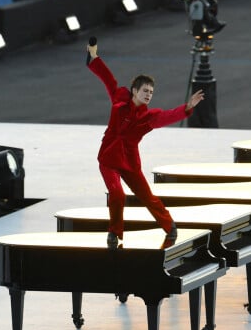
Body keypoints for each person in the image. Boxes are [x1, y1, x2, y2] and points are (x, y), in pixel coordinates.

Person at [86, 41, 205, 249]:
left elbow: (167, 116)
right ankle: (114, 233)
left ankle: (170, 226)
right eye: (145, 91)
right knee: (117, 193)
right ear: (134, 91)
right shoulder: (120, 100)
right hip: (109, 158)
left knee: (147, 196)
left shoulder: (149, 117)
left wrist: (187, 107)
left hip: (130, 161)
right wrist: (94, 58)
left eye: (151, 92)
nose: (149, 94)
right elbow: (108, 80)